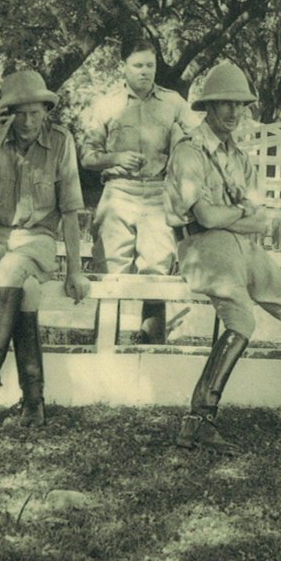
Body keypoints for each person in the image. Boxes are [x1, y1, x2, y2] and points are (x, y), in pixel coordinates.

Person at [164, 60, 281, 453]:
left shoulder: (240, 158)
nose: (233, 112)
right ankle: (198, 420)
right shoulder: (189, 152)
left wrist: (240, 217)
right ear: (208, 107)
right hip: (201, 245)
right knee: (242, 318)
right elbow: (206, 217)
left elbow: (260, 219)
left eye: (240, 105)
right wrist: (241, 216)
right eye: (225, 104)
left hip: (243, 245)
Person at [0, 70, 88, 425]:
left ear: (47, 110)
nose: (29, 121)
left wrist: (76, 269)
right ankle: (34, 404)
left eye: (36, 112)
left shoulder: (61, 142)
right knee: (26, 291)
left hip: (38, 240)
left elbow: (70, 211)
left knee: (13, 269)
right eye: (21, 113)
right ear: (7, 113)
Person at [81, 36, 197, 343]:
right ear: (123, 67)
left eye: (150, 65)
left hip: (159, 194)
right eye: (138, 65)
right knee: (110, 270)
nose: (145, 72)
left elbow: (199, 141)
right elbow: (87, 156)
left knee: (157, 271)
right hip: (118, 193)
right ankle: (104, 347)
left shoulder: (173, 103)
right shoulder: (107, 104)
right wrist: (115, 158)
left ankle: (151, 349)